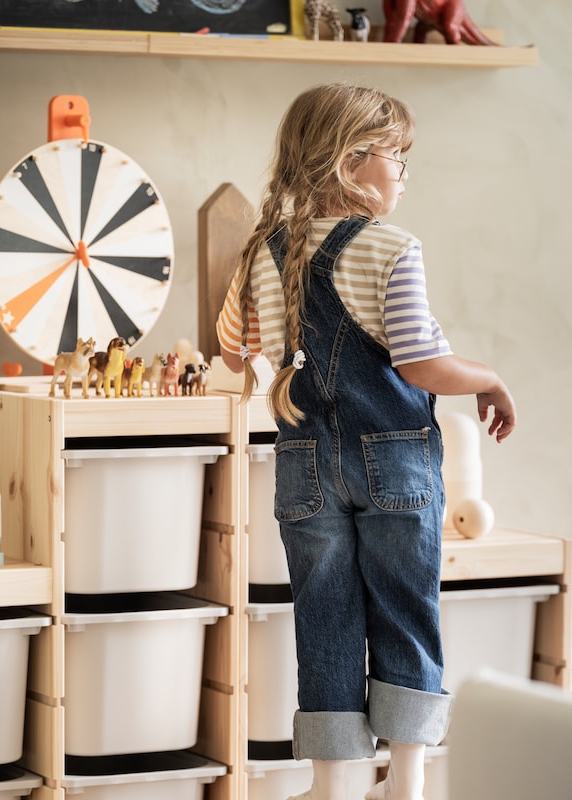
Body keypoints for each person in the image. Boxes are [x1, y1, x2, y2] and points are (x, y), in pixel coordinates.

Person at [216, 83, 516, 800]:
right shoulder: (390, 248)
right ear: (351, 163)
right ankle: (405, 780)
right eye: (397, 157)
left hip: (303, 466)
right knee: (406, 612)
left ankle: (332, 784)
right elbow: (420, 365)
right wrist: (489, 378)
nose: (404, 173)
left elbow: (232, 350)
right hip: (395, 461)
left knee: (326, 621)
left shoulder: (263, 248)